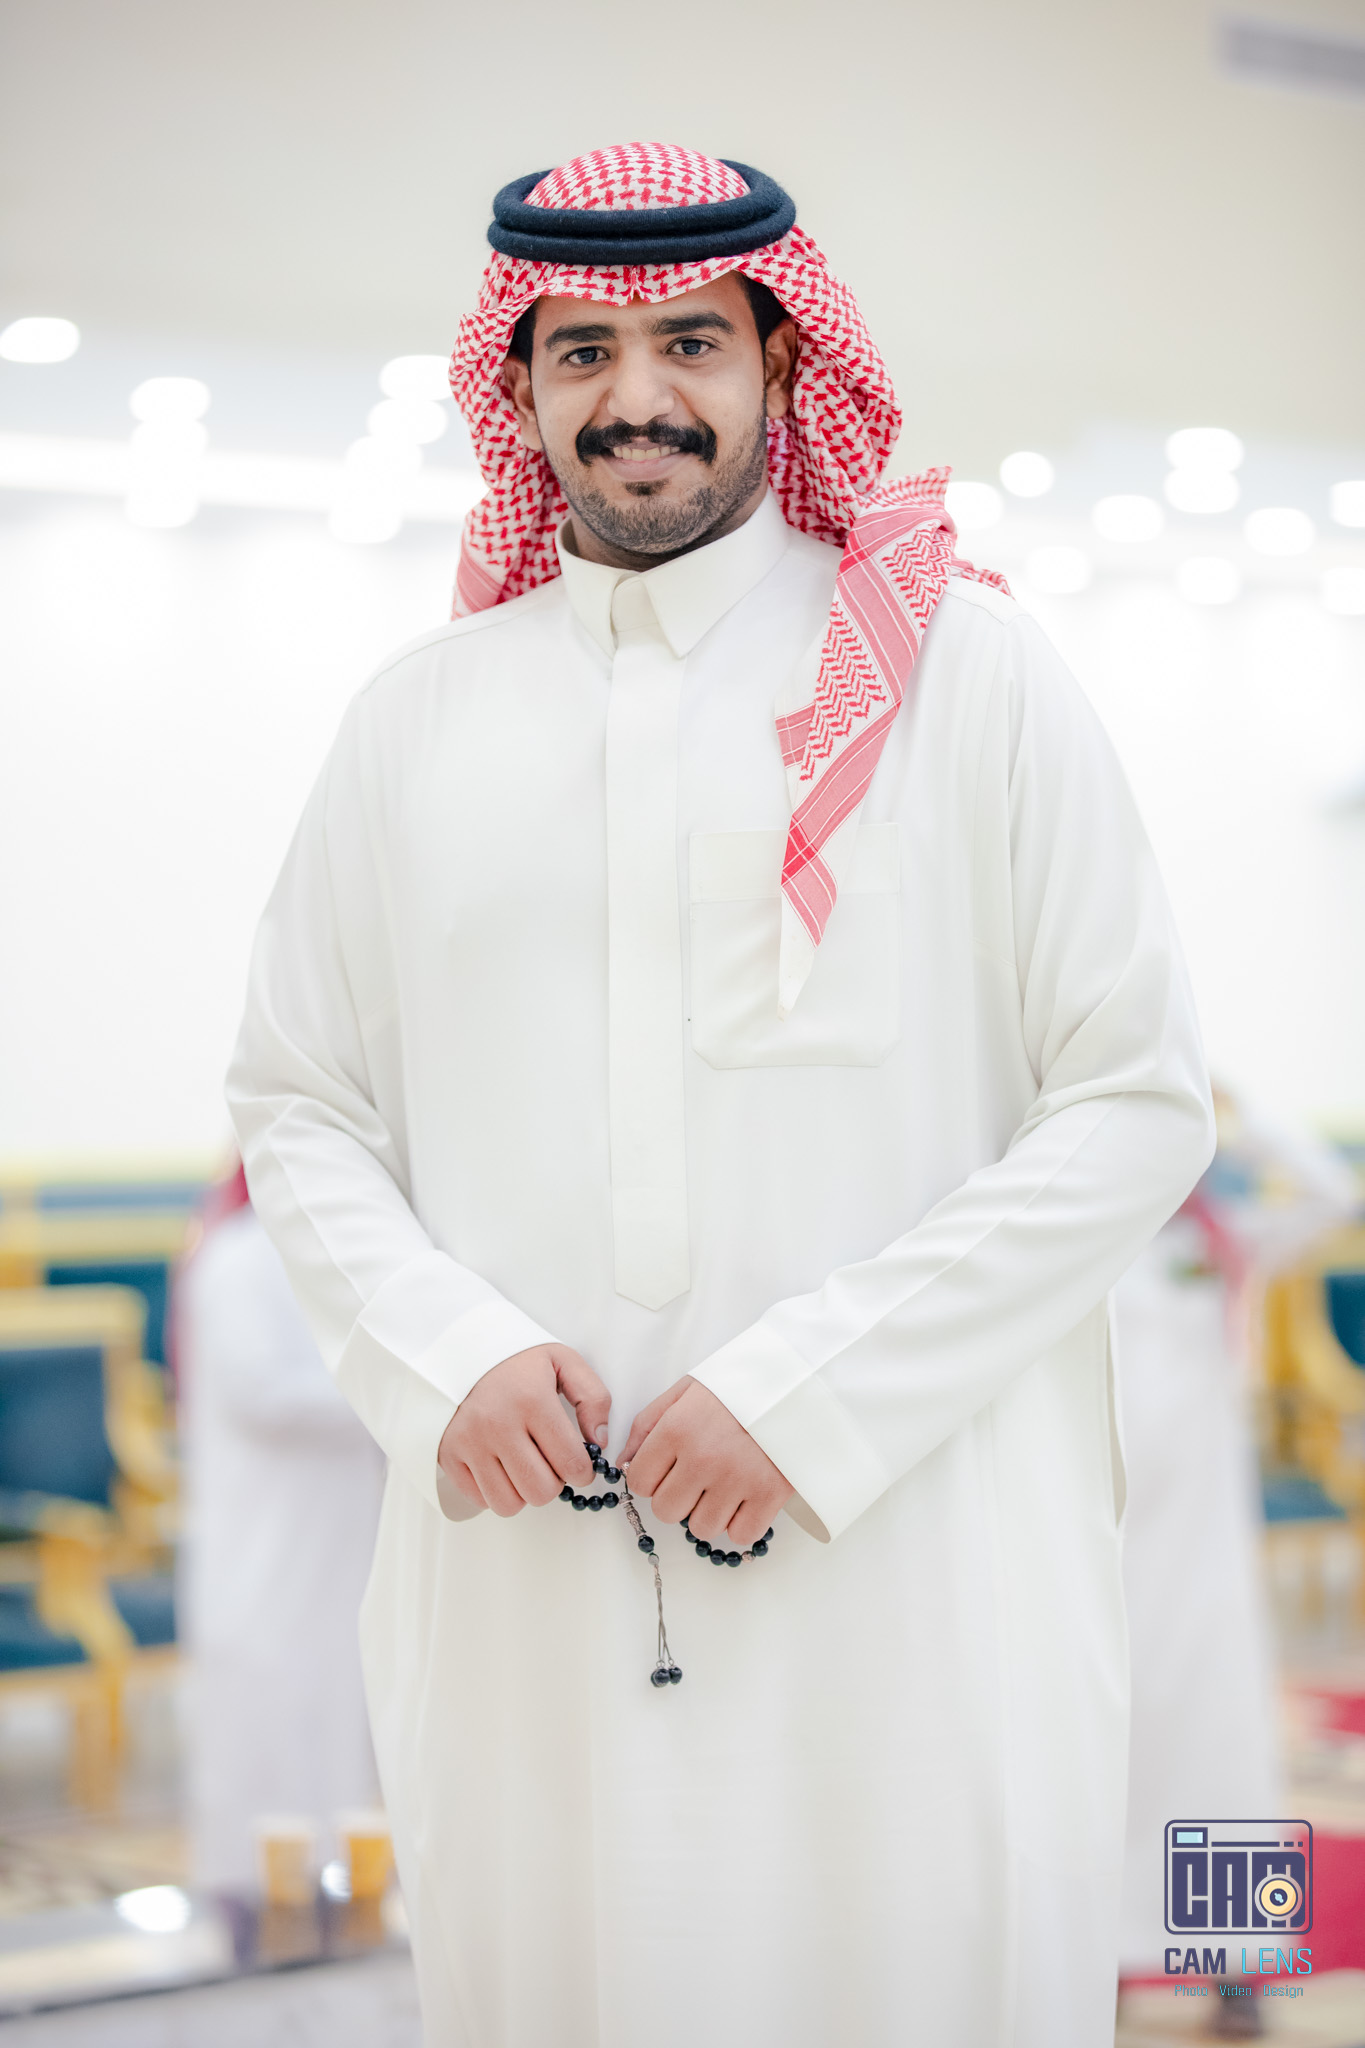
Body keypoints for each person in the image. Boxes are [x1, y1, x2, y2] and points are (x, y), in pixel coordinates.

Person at [228, 144, 1215, 2048]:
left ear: (780, 360)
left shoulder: (976, 680)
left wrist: (815, 1390)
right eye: (581, 351)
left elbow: (1133, 1093)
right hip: (527, 1584)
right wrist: (441, 1352)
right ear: (518, 388)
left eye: (690, 340)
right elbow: (299, 1095)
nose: (637, 396)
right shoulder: (414, 722)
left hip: (911, 1561)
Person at [1116, 1090, 1358, 2002]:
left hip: (1200, 1540)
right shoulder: (1080, 1243)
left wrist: (1236, 1111)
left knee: (1214, 1733)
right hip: (1103, 1537)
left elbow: (1331, 1194)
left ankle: (1233, 1960)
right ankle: (1102, 1950)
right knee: (1107, 1734)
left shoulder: (1224, 1234)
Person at [177, 1164, 384, 1889]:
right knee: (265, 1695)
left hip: (338, 1520)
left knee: (339, 1696)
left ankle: (342, 1880)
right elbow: (259, 1390)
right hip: (264, 1527)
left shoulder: (335, 1255)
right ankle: (251, 1890)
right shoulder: (238, 1256)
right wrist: (390, 1397)